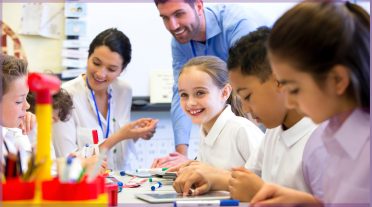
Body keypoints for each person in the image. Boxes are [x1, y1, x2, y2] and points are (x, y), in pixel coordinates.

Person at [171, 26, 318, 201]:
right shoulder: (274, 132)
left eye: (248, 96)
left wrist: (260, 192)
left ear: (279, 80)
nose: (246, 109)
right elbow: (245, 178)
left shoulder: (320, 138)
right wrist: (210, 177)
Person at [251, 1, 370, 205]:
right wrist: (311, 203)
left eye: (295, 89)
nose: (288, 101)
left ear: (337, 80)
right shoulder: (331, 134)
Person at [153, 0, 263, 161]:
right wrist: (181, 157)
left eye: (179, 14)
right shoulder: (180, 41)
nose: (173, 25)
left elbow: (250, 84)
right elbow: (179, 91)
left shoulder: (238, 24)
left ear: (198, 6)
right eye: (165, 18)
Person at [52, 28, 158, 171]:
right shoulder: (64, 96)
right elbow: (66, 162)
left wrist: (136, 134)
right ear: (88, 57)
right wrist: (121, 135)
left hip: (120, 181)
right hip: (84, 187)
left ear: (122, 70)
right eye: (96, 63)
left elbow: (119, 147)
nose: (101, 74)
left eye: (112, 69)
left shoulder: (124, 91)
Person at [173, 56, 263, 170]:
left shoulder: (241, 129)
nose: (190, 103)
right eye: (184, 95)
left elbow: (267, 180)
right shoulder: (205, 130)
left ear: (225, 92)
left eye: (200, 93)